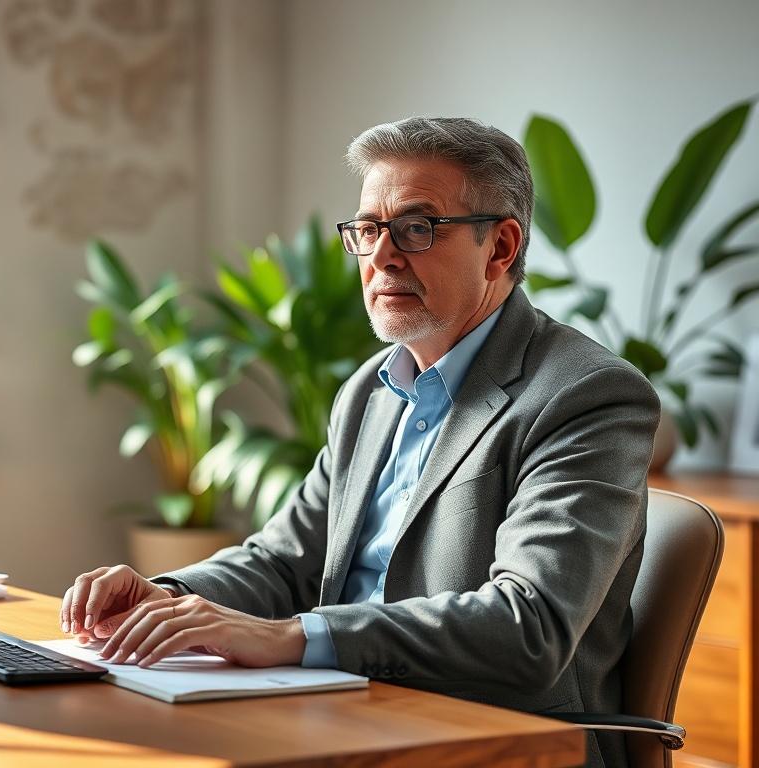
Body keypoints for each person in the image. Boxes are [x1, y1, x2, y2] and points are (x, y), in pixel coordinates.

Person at [61, 117, 659, 768]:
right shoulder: (369, 393)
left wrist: (296, 636)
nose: (381, 256)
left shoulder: (586, 395)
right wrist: (170, 597)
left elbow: (528, 627)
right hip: (341, 715)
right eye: (369, 230)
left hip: (491, 740)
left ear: (500, 247)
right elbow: (285, 561)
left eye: (416, 227)